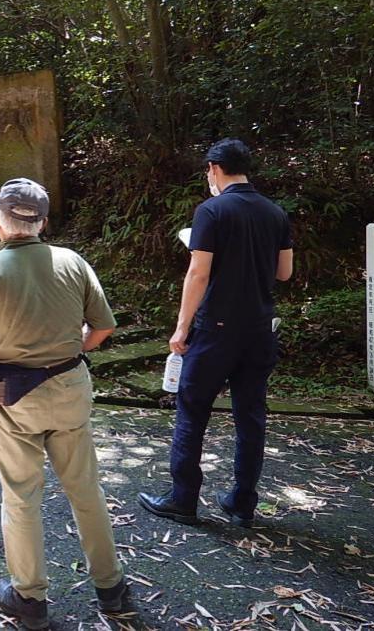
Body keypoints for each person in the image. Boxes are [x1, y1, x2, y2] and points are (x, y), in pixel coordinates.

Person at [0, 178, 126, 629]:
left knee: (22, 496)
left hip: (14, 403)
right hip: (69, 389)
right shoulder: (72, 262)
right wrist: (70, 349)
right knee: (85, 489)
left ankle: (30, 597)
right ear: (43, 221)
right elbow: (102, 329)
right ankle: (112, 588)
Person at [139, 138, 293, 527]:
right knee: (251, 415)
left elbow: (199, 272)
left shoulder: (211, 211)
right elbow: (284, 272)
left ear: (213, 168)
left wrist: (181, 327)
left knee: (192, 410)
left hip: (216, 330)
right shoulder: (275, 213)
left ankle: (183, 498)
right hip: (258, 329)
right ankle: (243, 502)